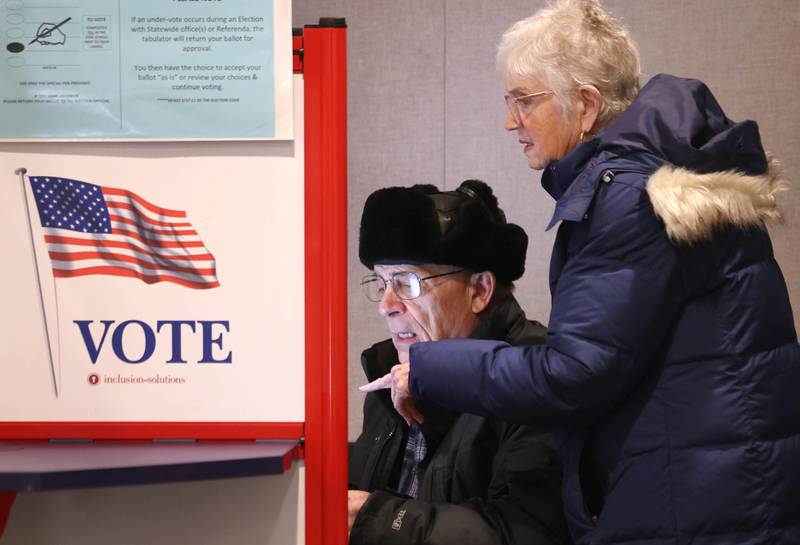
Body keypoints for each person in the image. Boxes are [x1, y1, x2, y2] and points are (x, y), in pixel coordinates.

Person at [382, 1, 800, 544]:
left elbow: (574, 375)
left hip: (694, 513)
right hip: (716, 495)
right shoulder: (658, 180)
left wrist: (427, 369)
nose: (510, 120)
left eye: (524, 100)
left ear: (585, 104)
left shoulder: (630, 199)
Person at [348, 180, 570, 545]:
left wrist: (374, 518)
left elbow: (527, 532)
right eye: (382, 281)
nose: (385, 305)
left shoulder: (535, 378)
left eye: (406, 282)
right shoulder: (387, 373)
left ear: (480, 290)